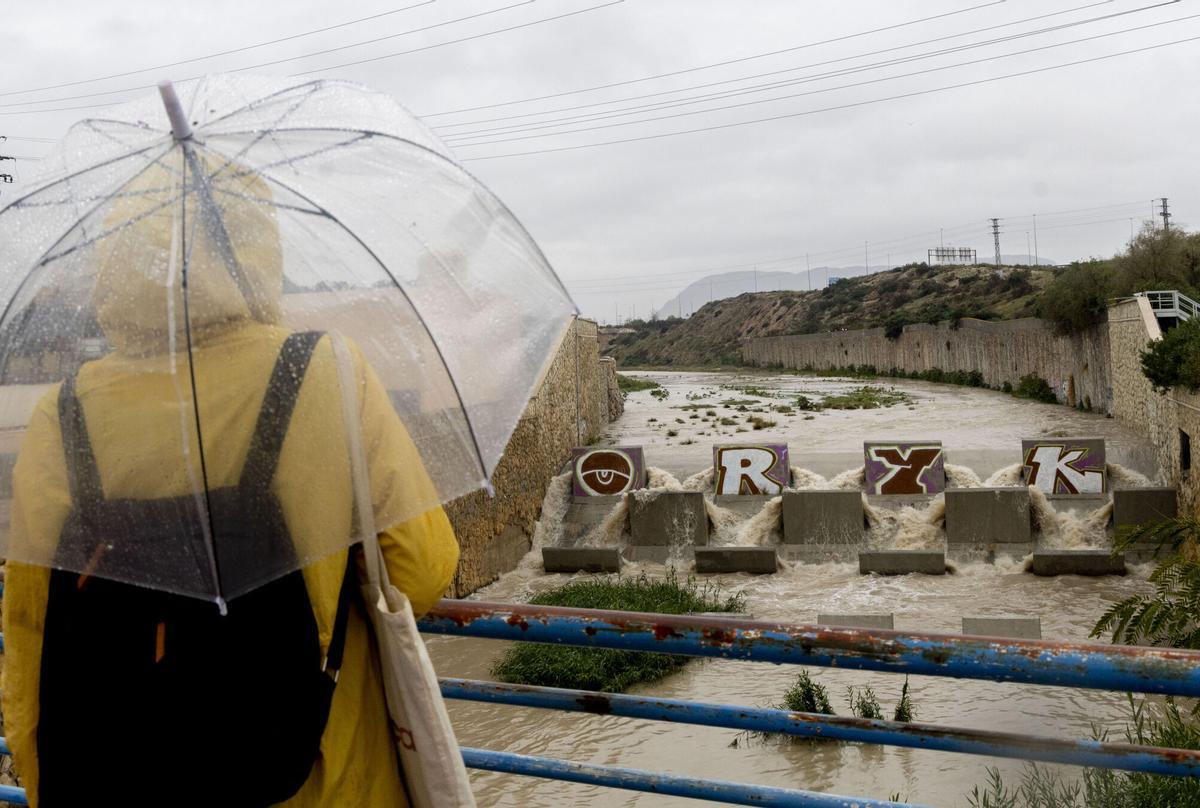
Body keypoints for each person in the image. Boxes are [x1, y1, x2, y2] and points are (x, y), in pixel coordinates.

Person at [1, 157, 461, 806]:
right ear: (255, 249)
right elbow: (420, 569)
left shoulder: (64, 409)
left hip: (120, 772)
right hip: (312, 773)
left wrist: (36, 770)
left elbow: (30, 617)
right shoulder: (321, 370)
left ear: (117, 262)